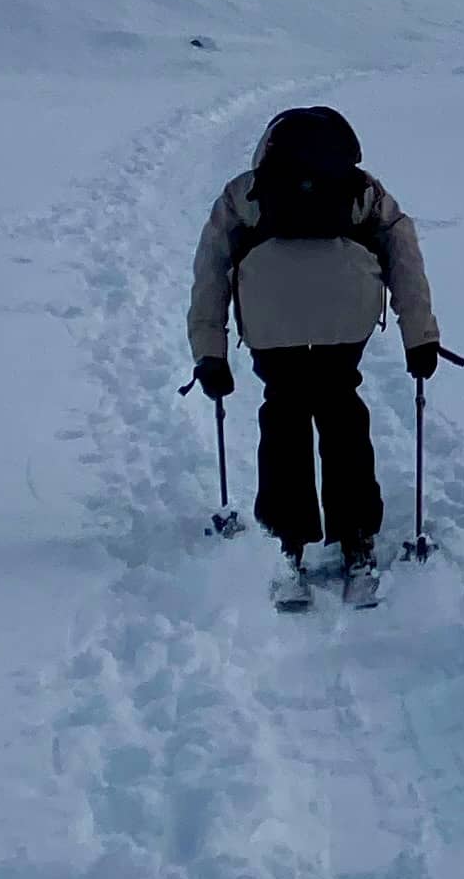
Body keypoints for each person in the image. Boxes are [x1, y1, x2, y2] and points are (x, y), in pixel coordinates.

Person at [189, 106, 443, 586]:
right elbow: (403, 254)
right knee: (340, 407)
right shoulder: (362, 188)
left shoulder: (245, 192)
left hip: (271, 320)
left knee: (284, 410)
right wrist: (420, 336)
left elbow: (212, 269)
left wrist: (210, 351)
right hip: (345, 317)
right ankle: (356, 539)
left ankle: (287, 540)